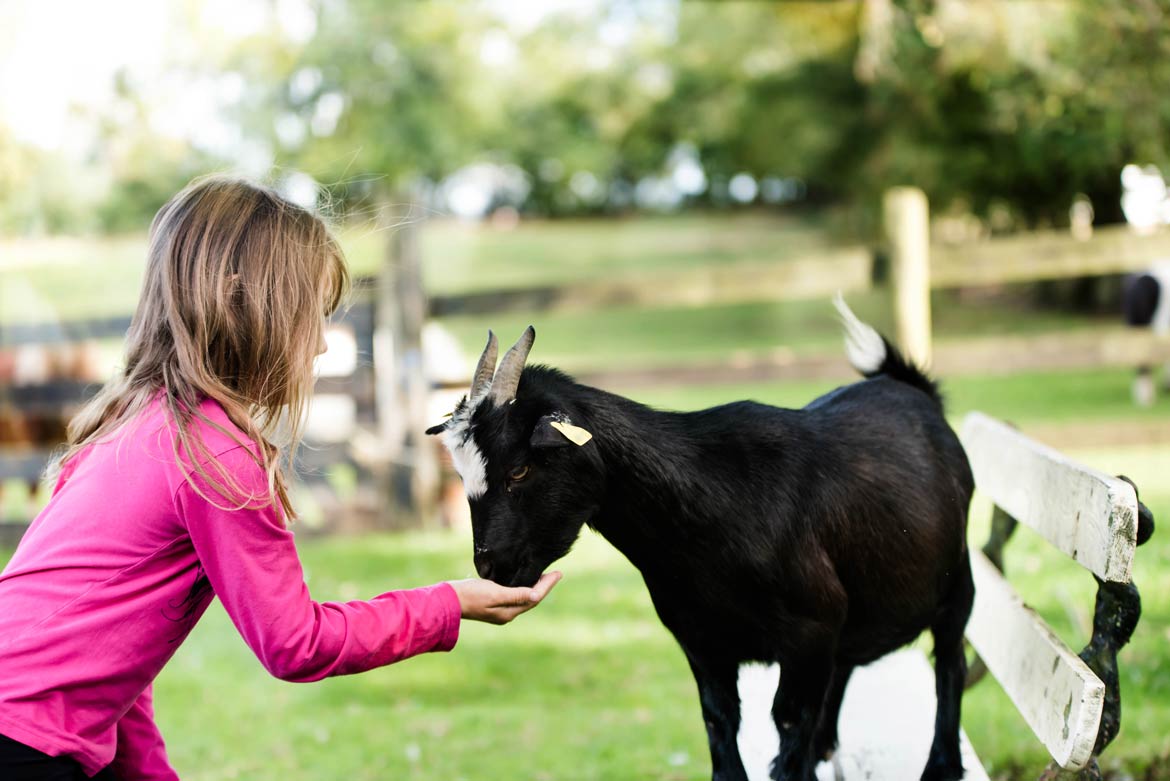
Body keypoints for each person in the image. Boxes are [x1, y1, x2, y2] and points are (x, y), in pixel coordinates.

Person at [0, 176, 561, 781]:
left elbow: (115, 660)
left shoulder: (130, 425)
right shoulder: (214, 458)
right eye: (312, 315)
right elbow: (296, 643)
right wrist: (448, 604)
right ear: (247, 305)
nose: (321, 343)